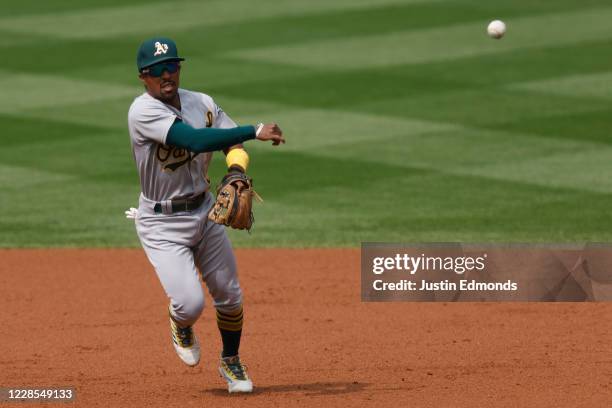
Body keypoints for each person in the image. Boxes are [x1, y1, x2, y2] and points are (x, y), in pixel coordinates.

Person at [126, 37, 285, 394]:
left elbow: (229, 142)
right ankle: (180, 321)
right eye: (157, 71)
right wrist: (254, 129)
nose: (166, 75)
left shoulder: (202, 102)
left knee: (229, 294)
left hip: (205, 211)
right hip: (161, 223)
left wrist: (235, 169)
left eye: (172, 67)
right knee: (190, 303)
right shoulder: (143, 111)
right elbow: (195, 140)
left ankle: (231, 361)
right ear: (143, 77)